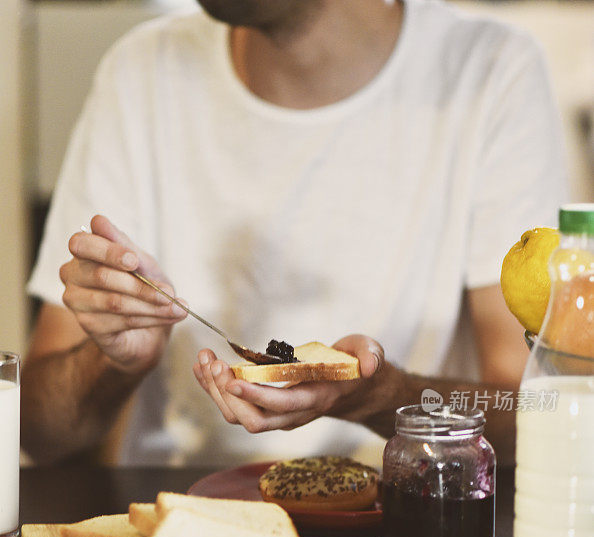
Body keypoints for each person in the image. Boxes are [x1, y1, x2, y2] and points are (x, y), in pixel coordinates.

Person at [22, 0, 567, 468]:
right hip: (185, 520)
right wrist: (114, 364)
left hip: (406, 533)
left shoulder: (492, 71)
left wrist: (380, 398)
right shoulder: (142, 71)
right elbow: (39, 433)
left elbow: (542, 408)